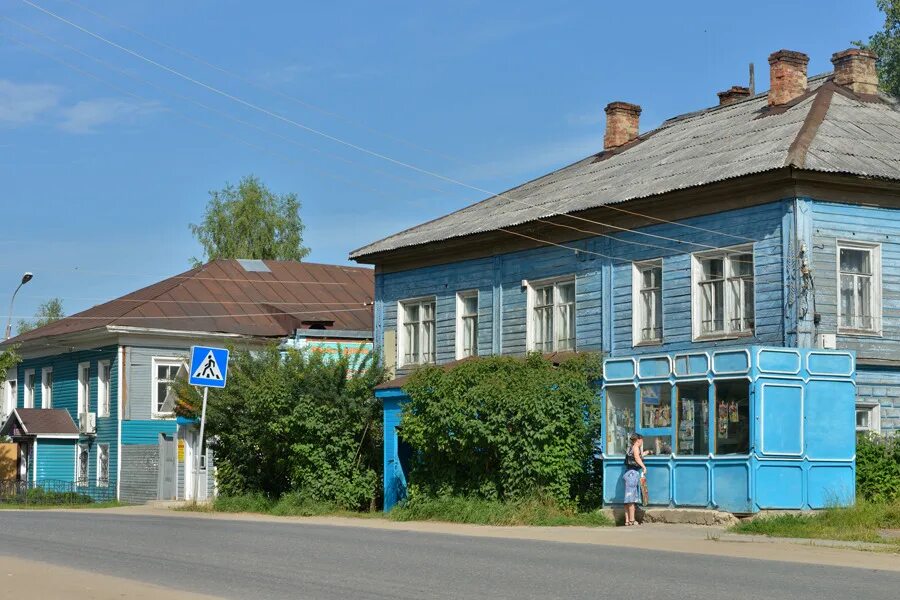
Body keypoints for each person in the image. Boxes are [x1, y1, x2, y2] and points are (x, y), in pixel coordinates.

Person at [623, 432, 649, 526]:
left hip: (627, 473)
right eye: (642, 440)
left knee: (627, 498)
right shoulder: (635, 447)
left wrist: (645, 453)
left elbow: (634, 456)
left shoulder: (630, 447)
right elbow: (637, 458)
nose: (642, 441)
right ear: (638, 440)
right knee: (631, 499)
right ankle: (632, 520)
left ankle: (627, 521)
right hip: (632, 474)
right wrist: (644, 467)